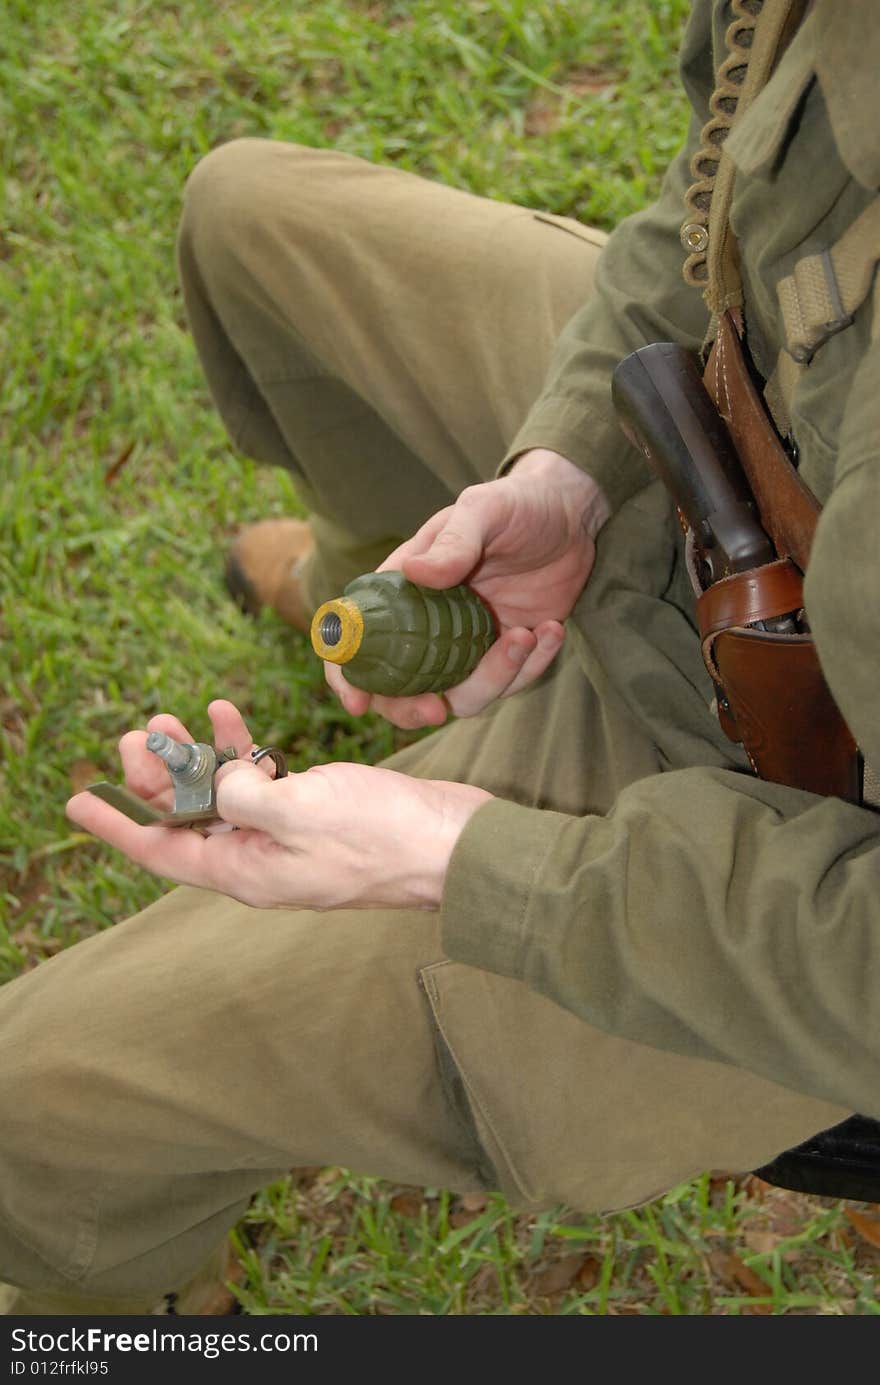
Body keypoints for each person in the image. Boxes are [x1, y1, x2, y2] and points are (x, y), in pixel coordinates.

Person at [2, 0, 878, 1315]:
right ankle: (393, 611)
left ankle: (135, 1325)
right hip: (740, 498)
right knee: (251, 218)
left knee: (34, 1102)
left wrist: (453, 853)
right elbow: (715, 197)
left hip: (764, 884)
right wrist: (571, 470)